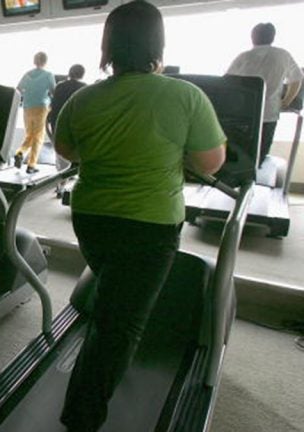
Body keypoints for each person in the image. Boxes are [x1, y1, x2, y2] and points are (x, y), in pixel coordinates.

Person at [53, 2, 226, 431]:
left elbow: (67, 151)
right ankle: (81, 419)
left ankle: (107, 363)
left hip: (91, 217)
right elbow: (210, 161)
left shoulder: (82, 98)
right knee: (120, 327)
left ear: (108, 45)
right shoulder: (185, 95)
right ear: (157, 44)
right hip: (150, 225)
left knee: (115, 301)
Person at [227, 22, 303, 166]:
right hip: (269, 113)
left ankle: (240, 183)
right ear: (272, 37)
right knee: (259, 156)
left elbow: (228, 81)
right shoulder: (282, 55)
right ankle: (252, 179)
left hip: (243, 114)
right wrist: (286, 101)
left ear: (252, 37)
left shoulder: (244, 57)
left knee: (240, 153)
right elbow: (297, 78)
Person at [14, 52, 56, 174]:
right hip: (41, 108)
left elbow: (18, 90)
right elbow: (54, 92)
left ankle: (20, 152)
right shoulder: (48, 75)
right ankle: (31, 165)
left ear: (34, 61)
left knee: (29, 135)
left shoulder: (27, 75)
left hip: (27, 107)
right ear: (45, 61)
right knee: (38, 136)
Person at [48, 64, 86, 136]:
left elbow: (53, 104)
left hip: (56, 122)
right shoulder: (83, 87)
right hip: (73, 123)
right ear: (82, 74)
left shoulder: (59, 85)